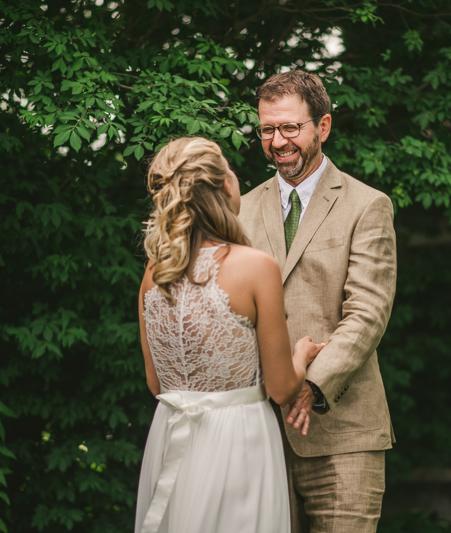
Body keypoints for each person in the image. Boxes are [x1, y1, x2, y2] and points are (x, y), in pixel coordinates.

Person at [134, 136, 325, 533]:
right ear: (225, 187)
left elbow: (156, 384)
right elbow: (281, 388)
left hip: (170, 435)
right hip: (239, 442)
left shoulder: (154, 273)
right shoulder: (256, 266)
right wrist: (302, 355)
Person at [238, 70, 397, 533]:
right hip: (259, 433)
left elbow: (368, 313)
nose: (278, 140)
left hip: (344, 431)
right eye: (268, 129)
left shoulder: (367, 205)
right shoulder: (240, 210)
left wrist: (309, 385)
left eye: (291, 127)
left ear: (322, 127)